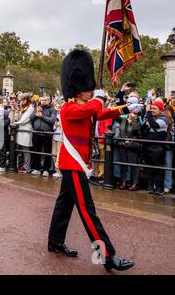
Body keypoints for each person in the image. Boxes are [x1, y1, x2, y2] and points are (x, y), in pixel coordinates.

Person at [48, 49, 135, 271]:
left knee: (64, 206)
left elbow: (102, 113)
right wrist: (98, 97)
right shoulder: (69, 108)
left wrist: (125, 107)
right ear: (78, 90)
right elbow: (93, 107)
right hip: (73, 165)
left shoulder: (84, 107)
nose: (89, 92)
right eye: (86, 89)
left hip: (76, 164)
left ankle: (55, 242)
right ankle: (107, 255)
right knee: (87, 210)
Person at [142, 99, 168, 196]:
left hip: (158, 148)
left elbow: (154, 125)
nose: (152, 110)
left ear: (161, 110)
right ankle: (150, 187)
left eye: (155, 109)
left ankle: (159, 188)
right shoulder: (150, 117)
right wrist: (145, 124)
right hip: (148, 146)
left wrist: (148, 113)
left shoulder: (164, 118)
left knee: (158, 169)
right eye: (151, 108)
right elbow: (143, 130)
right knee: (149, 168)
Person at [30, 96, 57, 177]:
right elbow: (31, 118)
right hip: (36, 134)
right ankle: (37, 168)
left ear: (49, 101)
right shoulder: (37, 108)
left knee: (47, 152)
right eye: (41, 100)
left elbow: (52, 121)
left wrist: (42, 116)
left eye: (45, 100)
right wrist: (36, 113)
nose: (43, 101)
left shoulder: (52, 109)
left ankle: (46, 169)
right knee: (36, 152)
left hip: (47, 134)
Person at [14, 95, 34, 174]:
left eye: (21, 100)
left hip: (26, 130)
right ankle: (22, 165)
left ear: (25, 100)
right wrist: (17, 112)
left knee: (26, 150)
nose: (20, 101)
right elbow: (18, 118)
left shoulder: (30, 108)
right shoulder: (22, 108)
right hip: (21, 130)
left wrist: (16, 123)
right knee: (22, 149)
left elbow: (24, 119)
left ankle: (27, 167)